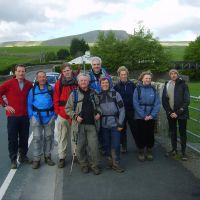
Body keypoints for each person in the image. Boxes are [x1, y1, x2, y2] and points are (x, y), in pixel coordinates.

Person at [66, 73, 101, 175]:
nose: (83, 82)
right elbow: (68, 109)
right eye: (81, 80)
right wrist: (76, 117)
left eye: (85, 80)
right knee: (80, 147)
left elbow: (99, 106)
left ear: (88, 81)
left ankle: (94, 165)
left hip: (92, 125)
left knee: (93, 147)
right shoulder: (74, 94)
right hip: (79, 126)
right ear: (78, 82)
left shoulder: (94, 93)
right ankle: (84, 165)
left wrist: (99, 113)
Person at [0, 64, 32, 169]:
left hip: (25, 116)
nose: (21, 73)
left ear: (25, 72)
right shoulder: (8, 83)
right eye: (19, 71)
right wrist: (5, 105)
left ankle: (23, 156)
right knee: (12, 139)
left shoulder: (29, 84)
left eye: (23, 71)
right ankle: (13, 159)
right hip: (13, 116)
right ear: (15, 72)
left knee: (24, 138)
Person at [28, 71, 56, 169]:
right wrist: (31, 115)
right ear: (37, 78)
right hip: (36, 117)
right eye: (40, 77)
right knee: (37, 138)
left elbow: (55, 101)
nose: (42, 79)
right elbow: (29, 104)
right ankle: (37, 159)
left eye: (44, 77)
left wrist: (54, 115)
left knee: (49, 137)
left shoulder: (50, 89)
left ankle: (47, 156)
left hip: (49, 117)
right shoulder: (32, 90)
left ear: (46, 78)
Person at [162, 69, 190, 161]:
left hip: (182, 113)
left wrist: (177, 113)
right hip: (171, 113)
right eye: (171, 74)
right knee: (173, 132)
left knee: (182, 133)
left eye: (175, 73)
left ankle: (183, 152)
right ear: (170, 75)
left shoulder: (183, 85)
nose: (173, 75)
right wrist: (170, 112)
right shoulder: (167, 85)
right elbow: (164, 100)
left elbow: (187, 101)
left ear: (177, 75)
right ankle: (174, 150)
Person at [99, 76, 125, 173]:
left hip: (115, 123)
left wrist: (120, 123)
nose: (105, 84)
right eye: (103, 83)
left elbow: (122, 110)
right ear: (100, 84)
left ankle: (116, 163)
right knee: (106, 144)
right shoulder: (98, 95)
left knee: (116, 144)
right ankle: (110, 161)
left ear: (109, 83)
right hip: (103, 124)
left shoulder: (116, 94)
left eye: (106, 83)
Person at [53, 63, 77, 168]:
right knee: (62, 137)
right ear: (62, 72)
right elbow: (56, 99)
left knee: (75, 136)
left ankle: (76, 155)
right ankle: (62, 157)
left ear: (71, 70)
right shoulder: (59, 83)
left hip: (74, 114)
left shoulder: (77, 82)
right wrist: (59, 112)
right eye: (65, 71)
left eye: (68, 70)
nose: (67, 72)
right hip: (62, 115)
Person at [133, 71, 160, 161]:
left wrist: (152, 115)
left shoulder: (153, 89)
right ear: (142, 79)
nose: (148, 80)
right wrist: (143, 115)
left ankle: (149, 150)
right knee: (140, 134)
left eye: (149, 78)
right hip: (140, 116)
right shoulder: (137, 89)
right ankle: (141, 151)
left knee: (150, 134)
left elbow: (157, 103)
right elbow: (135, 103)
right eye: (146, 78)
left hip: (151, 116)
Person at [89, 56, 112, 154]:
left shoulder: (106, 75)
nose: (96, 66)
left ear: (100, 65)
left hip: (105, 102)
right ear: (92, 66)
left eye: (98, 64)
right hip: (94, 104)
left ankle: (106, 146)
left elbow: (111, 88)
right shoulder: (88, 76)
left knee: (105, 125)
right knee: (96, 126)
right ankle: (98, 146)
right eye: (94, 65)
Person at [114, 66, 136, 153]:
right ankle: (124, 146)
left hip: (131, 110)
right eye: (121, 74)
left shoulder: (132, 85)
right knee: (122, 129)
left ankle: (139, 145)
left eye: (125, 74)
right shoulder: (116, 87)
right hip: (121, 111)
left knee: (134, 128)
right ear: (119, 75)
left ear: (127, 75)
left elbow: (136, 97)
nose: (123, 76)